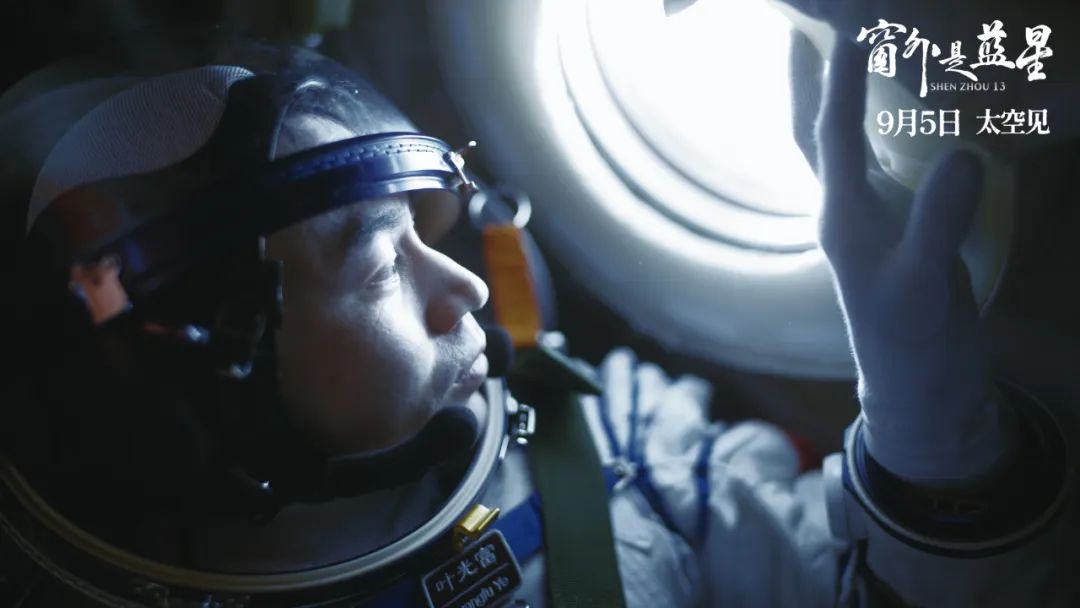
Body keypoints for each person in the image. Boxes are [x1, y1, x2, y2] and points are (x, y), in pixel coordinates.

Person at [0, 26, 1074, 608]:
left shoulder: (613, 442)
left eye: (425, 232)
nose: (465, 288)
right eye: (377, 263)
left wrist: (933, 435)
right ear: (206, 363)